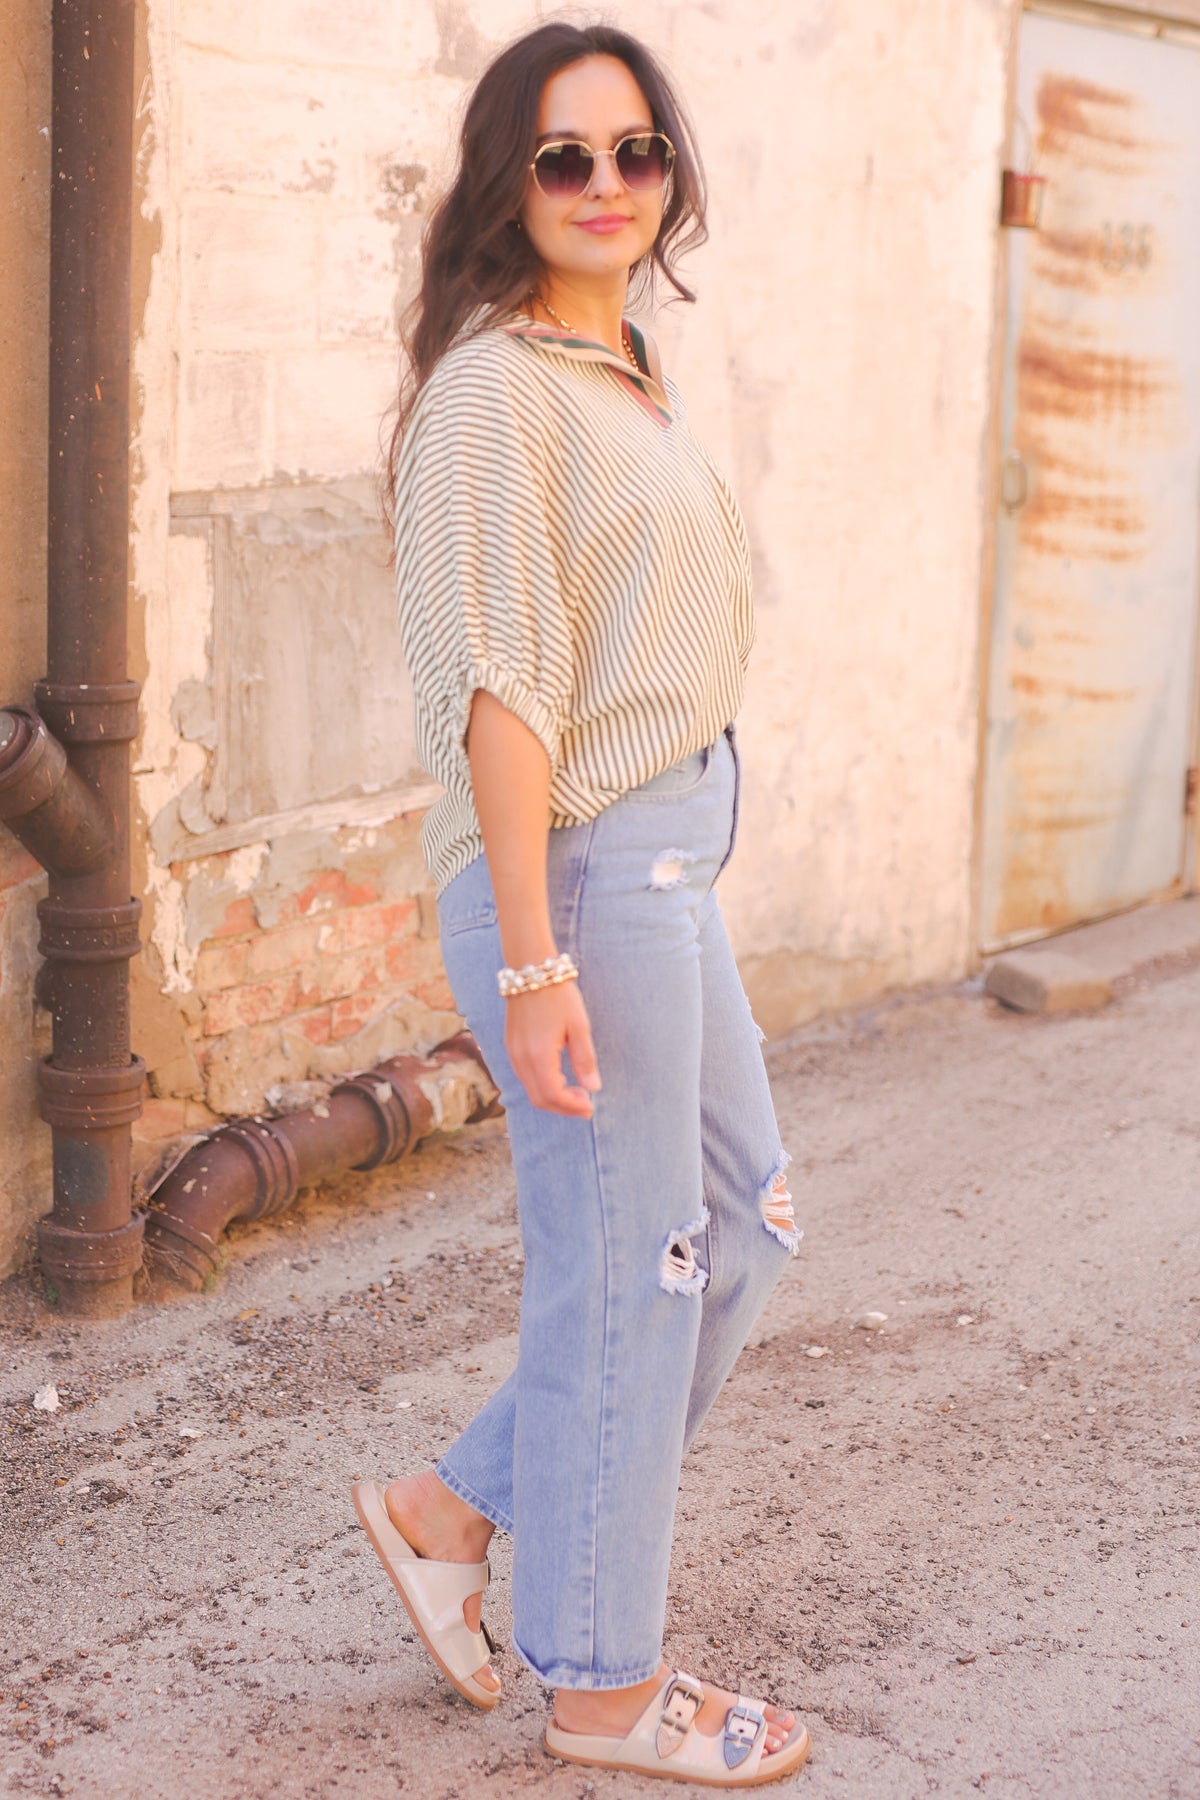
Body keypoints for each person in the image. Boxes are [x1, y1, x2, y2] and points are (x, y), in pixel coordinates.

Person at [352, 20, 810, 1787]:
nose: (608, 186)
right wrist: (535, 955)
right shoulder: (493, 394)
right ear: (507, 184)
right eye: (564, 159)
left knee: (737, 1230)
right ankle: (607, 1688)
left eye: (635, 152)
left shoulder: (618, 372)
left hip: (663, 863)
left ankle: (449, 1509)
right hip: (589, 878)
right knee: (637, 1274)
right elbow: (502, 688)